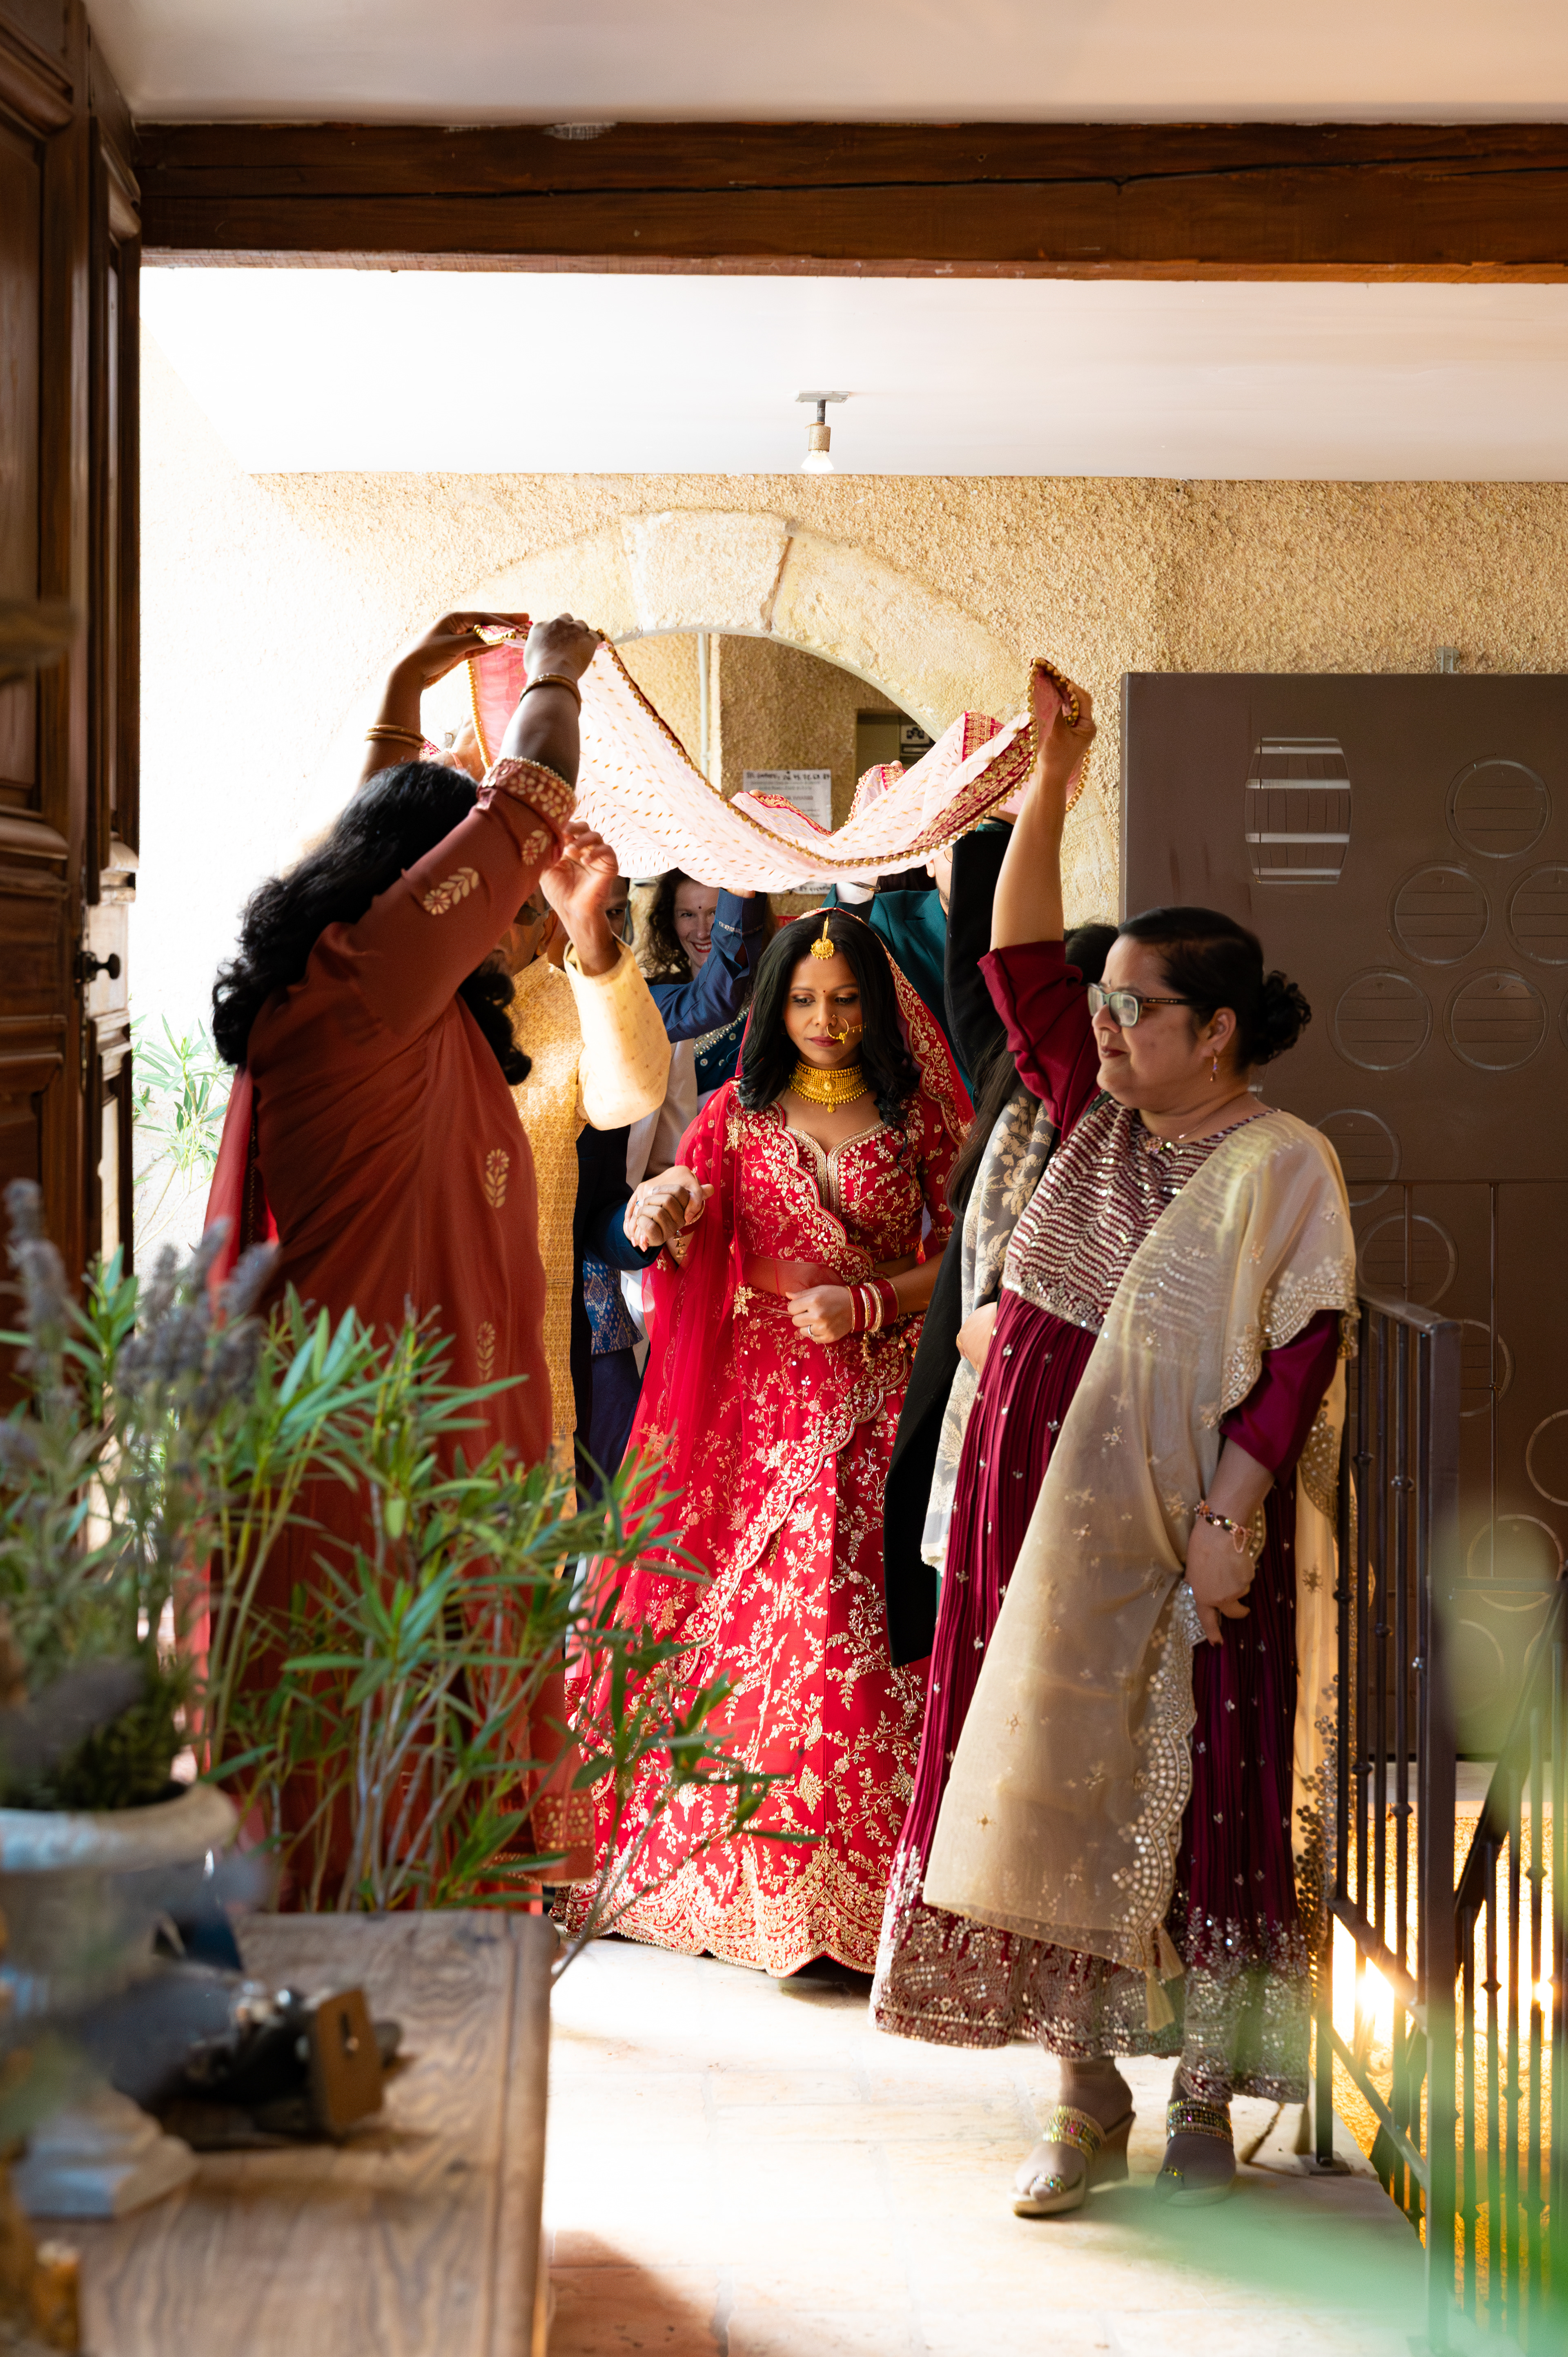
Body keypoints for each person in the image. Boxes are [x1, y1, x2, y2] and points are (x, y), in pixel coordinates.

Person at [874, 673, 1356, 2216]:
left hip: (1184, 1522)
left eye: (1136, 1007)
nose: (1103, 1024)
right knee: (1050, 1779)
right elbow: (1015, 953)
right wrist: (1055, 784)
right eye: (1107, 1007)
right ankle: (1078, 2093)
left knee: (1202, 1782)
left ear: (1216, 1031)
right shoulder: (1093, 1107)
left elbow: (1299, 1352)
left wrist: (1232, 1511)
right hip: (1036, 1512)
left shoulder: (1284, 1163)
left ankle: (1205, 2098)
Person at [207, 608, 600, 1873]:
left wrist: (398, 690)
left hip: (369, 1428)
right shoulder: (375, 983)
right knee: (390, 1745)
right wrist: (554, 674)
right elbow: (531, 793)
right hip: (387, 1452)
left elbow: (397, 844)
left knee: (378, 1741)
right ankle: (387, 2017)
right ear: (418, 885)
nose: (500, 905)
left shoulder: (336, 979)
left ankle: (375, 2007)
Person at [564, 908, 971, 1973]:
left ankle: (873, 1892)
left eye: (843, 1000)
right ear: (774, 1006)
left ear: (875, 1006)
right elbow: (685, 1218)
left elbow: (976, 1248)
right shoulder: (736, 1117)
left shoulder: (923, 1117)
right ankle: (778, 1891)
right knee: (777, 1626)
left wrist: (875, 1304)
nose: (825, 1019)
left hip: (886, 1398)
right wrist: (668, 1210)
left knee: (866, 1616)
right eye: (803, 999)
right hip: (764, 1405)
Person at [498, 852, 670, 1478]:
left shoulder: (576, 1011)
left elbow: (634, 1091)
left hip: (536, 1352)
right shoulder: (394, 1010)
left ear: (545, 925)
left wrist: (591, 935)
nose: (494, 928)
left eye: (518, 911)